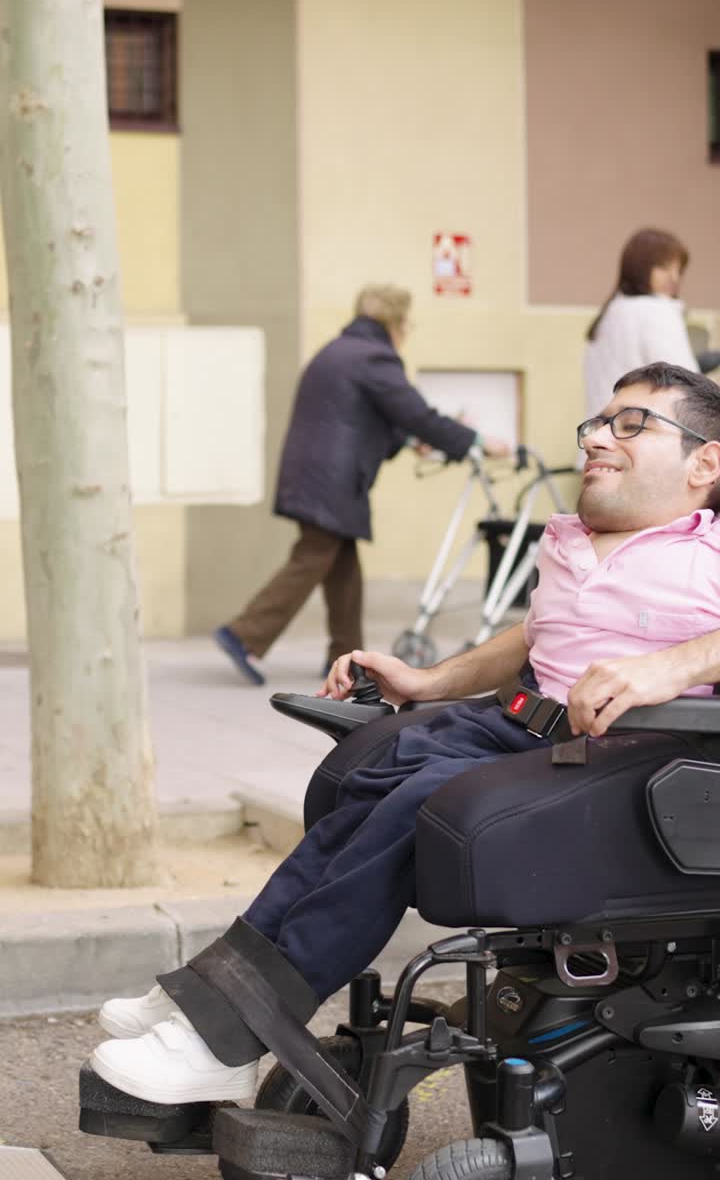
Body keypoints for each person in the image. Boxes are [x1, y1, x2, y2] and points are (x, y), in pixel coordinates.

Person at [90, 362, 720, 1106]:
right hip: (516, 727)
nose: (598, 438)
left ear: (703, 463)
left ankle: (231, 1038)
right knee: (371, 775)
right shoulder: (570, 540)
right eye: (598, 422)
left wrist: (672, 665)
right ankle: (214, 997)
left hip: (622, 759)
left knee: (419, 799)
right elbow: (531, 635)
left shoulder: (706, 552)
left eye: (632, 423)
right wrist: (428, 682)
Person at [214, 284, 509, 685]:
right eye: (407, 324)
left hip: (317, 474)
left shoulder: (340, 351)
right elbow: (415, 413)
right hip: (331, 481)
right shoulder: (375, 357)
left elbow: (362, 417)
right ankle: (244, 633)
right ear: (395, 322)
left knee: (342, 567)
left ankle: (345, 656)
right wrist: (475, 440)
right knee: (312, 559)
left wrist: (407, 441)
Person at [583, 228, 698, 421]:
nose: (674, 277)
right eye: (663, 267)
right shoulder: (656, 310)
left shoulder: (608, 315)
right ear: (640, 268)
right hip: (639, 438)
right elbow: (687, 385)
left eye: (678, 270)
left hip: (601, 435)